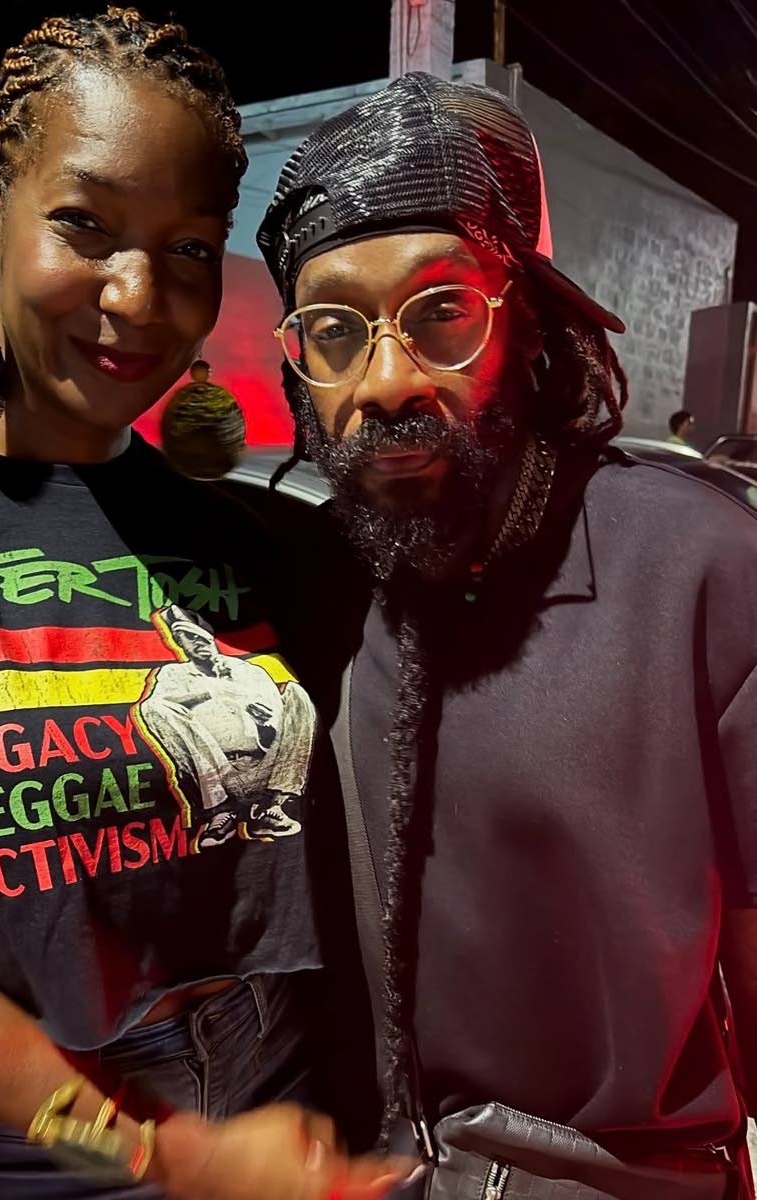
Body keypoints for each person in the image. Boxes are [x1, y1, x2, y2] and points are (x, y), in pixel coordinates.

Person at [0, 9, 405, 1200]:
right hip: (43, 1150)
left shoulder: (256, 535)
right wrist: (160, 1150)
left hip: (296, 1114)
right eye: (86, 226)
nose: (138, 294)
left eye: (190, 246)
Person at [257, 73, 757, 1196]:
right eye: (334, 330)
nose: (384, 381)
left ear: (526, 320)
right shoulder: (312, 579)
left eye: (441, 312)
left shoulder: (697, 566)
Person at [134, 605, 313, 847]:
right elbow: (156, 709)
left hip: (265, 768)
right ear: (178, 642)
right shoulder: (173, 675)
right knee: (154, 707)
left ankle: (272, 807)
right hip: (216, 773)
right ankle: (221, 811)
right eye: (188, 637)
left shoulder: (250, 671)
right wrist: (213, 691)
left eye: (201, 637)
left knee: (296, 694)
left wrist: (265, 723)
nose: (197, 643)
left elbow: (278, 727)